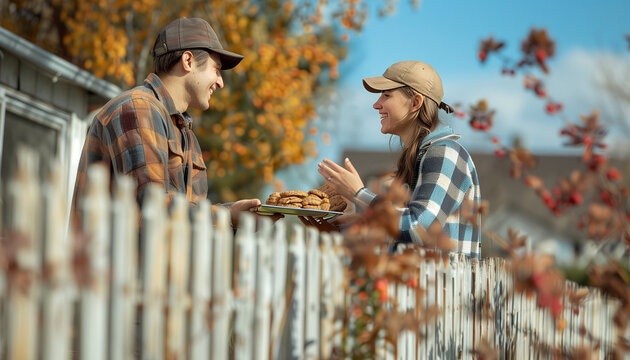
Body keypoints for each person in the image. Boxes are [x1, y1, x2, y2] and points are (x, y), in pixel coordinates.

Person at [71, 17, 262, 228]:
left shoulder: (186, 134)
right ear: (188, 61)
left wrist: (240, 218)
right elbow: (152, 209)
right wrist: (225, 215)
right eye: (216, 69)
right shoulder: (138, 109)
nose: (220, 82)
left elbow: (188, 221)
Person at [317, 60, 482, 258]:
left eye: (386, 95)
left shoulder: (445, 154)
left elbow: (418, 228)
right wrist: (342, 230)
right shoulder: (419, 158)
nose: (376, 104)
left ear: (415, 103)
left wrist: (358, 193)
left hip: (441, 288)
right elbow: (399, 235)